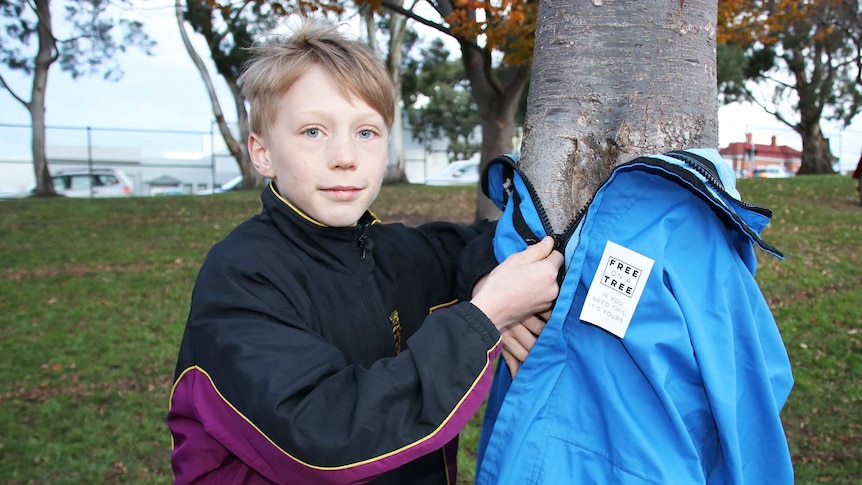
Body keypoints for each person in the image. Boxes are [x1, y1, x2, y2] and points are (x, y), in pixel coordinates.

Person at [167, 19, 563, 485]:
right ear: (262, 153)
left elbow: (472, 246)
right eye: (313, 132)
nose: (345, 156)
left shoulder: (392, 252)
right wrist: (487, 318)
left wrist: (487, 278)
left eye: (366, 132)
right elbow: (327, 433)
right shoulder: (241, 276)